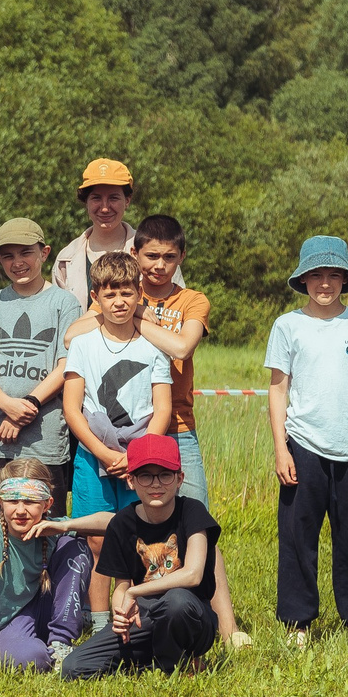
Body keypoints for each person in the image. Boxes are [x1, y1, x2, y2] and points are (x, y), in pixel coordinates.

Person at [267, 236, 348, 642]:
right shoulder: (287, 326)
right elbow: (278, 389)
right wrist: (281, 447)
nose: (324, 283)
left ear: (345, 279)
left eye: (333, 275)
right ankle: (298, 623)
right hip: (302, 444)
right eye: (316, 275)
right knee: (298, 536)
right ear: (302, 279)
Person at [60, 436, 222, 679]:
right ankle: (152, 661)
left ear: (180, 479)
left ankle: (176, 664)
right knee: (74, 668)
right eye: (145, 476)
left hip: (192, 613)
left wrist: (134, 593)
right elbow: (121, 586)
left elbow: (193, 574)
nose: (155, 484)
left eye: (165, 474)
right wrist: (120, 612)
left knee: (176, 602)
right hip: (145, 614)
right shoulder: (122, 523)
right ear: (131, 481)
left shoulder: (192, 511)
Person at [0, 217, 80, 523]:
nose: (17, 263)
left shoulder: (64, 302)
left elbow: (66, 364)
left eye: (25, 253)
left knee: (44, 527)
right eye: (8, 255)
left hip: (44, 439)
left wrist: (28, 405)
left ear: (44, 252)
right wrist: (7, 405)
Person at [61, 251, 174, 530]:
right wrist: (104, 453)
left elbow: (162, 408)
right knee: (95, 538)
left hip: (142, 454)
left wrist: (139, 455)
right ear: (95, 297)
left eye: (126, 293)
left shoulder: (154, 345)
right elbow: (72, 408)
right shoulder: (82, 344)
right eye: (110, 296)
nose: (119, 303)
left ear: (139, 293)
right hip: (92, 453)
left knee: (140, 534)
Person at [0, 457, 90, 673]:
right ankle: (33, 647)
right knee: (32, 660)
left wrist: (64, 526)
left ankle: (60, 643)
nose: (21, 510)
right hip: (5, 627)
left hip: (41, 609)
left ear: (47, 503)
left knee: (76, 547)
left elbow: (112, 524)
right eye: (13, 501)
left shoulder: (49, 527)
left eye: (30, 501)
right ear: (0, 501)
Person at [130, 214, 213, 506]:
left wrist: (136, 319)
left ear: (182, 257)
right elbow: (72, 337)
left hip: (179, 426)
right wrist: (133, 307)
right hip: (128, 425)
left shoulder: (193, 300)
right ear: (134, 254)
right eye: (151, 256)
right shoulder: (119, 295)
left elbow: (182, 348)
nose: (159, 265)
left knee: (196, 514)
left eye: (169, 257)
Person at [52, 159, 179, 302]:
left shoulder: (158, 252)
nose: (105, 208)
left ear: (127, 200)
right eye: (96, 198)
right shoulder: (66, 259)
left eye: (113, 198)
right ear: (85, 201)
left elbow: (177, 308)